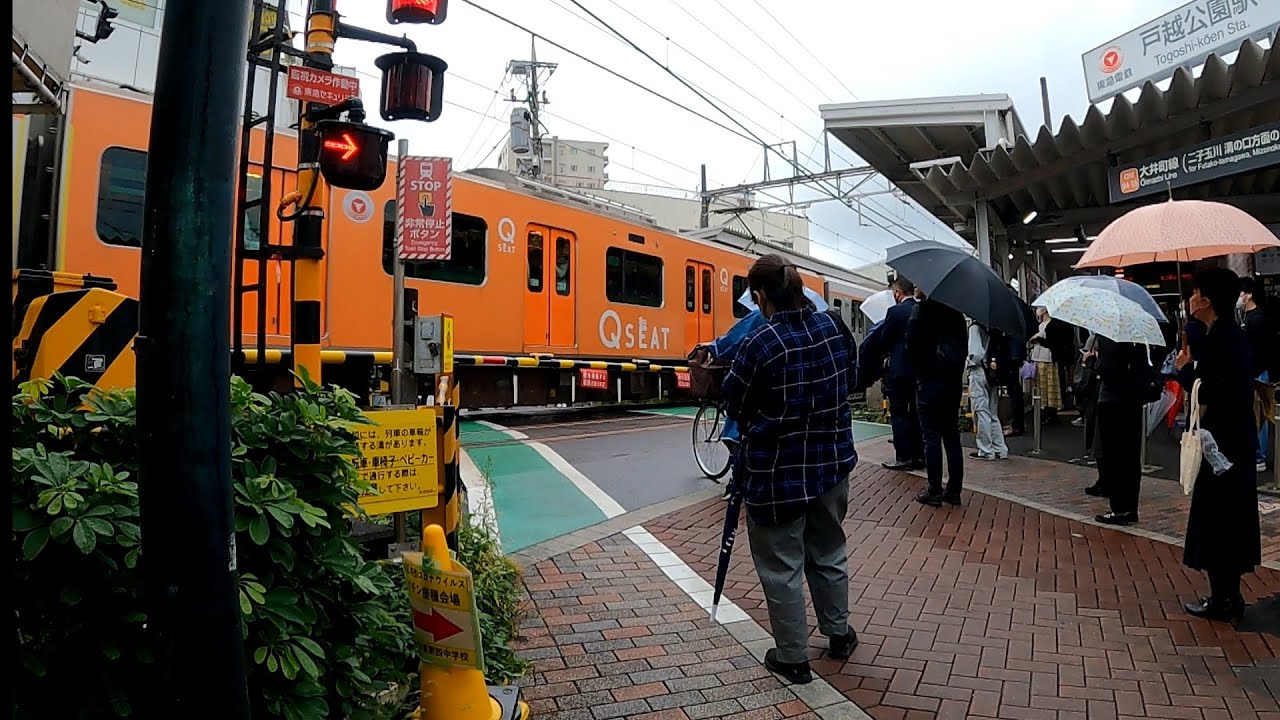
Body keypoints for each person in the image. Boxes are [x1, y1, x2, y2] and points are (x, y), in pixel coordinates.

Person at [719, 254, 858, 685]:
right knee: (829, 550)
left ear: (760, 296)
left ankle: (793, 657)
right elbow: (851, 377)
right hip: (832, 463)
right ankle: (838, 633)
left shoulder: (760, 342)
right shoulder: (833, 325)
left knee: (782, 566)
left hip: (778, 473)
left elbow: (734, 403)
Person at [1176, 267, 1261, 622]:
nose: (1191, 299)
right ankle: (1229, 595)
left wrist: (1184, 370)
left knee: (1218, 520)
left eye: (1195, 293)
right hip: (1234, 442)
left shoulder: (1219, 338)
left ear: (1207, 300)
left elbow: (1209, 392)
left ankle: (1222, 598)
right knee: (1231, 518)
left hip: (1220, 447)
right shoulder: (1230, 334)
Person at [907, 290, 968, 507]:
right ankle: (954, 490)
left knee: (931, 436)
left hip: (929, 381)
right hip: (952, 383)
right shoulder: (957, 314)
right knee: (952, 435)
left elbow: (911, 345)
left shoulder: (920, 311)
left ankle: (934, 489)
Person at [1090, 335, 1150, 523]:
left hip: (1112, 401)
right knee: (1131, 457)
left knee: (1113, 456)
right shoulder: (1137, 337)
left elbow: (1107, 370)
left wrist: (1092, 361)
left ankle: (1119, 508)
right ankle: (1131, 507)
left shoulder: (1109, 337)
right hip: (1133, 400)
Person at [875, 277, 923, 471]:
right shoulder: (921, 309)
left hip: (899, 371)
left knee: (900, 413)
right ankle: (920, 456)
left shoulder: (894, 312)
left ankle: (904, 456)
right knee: (917, 413)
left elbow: (885, 339)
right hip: (919, 370)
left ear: (897, 293)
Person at [1240, 278, 1275, 473]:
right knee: (1255, 414)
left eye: (1241, 293)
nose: (1239, 297)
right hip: (1254, 371)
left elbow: (1261, 350)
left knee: (1259, 414)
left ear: (1249, 294)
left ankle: (1259, 456)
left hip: (1257, 372)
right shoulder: (1247, 317)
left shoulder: (1257, 318)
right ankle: (1256, 454)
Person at [966, 320, 1008, 461]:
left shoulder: (975, 328)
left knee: (981, 411)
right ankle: (1000, 448)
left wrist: (967, 362)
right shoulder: (995, 328)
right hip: (993, 372)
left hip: (979, 372)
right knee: (992, 413)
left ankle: (985, 450)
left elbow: (975, 354)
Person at [1028, 308, 1062, 424]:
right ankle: (1043, 410)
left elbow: (1053, 343)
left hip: (1047, 358)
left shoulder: (1053, 325)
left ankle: (1051, 413)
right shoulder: (1039, 325)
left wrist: (1039, 340)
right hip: (1037, 357)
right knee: (1041, 386)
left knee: (1049, 386)